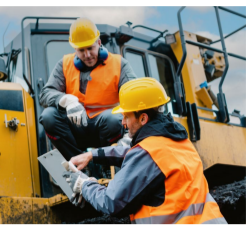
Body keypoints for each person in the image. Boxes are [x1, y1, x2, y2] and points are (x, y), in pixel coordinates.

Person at [63, 78, 227, 224]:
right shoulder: (178, 141)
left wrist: (84, 185)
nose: (123, 123)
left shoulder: (148, 152)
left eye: (126, 116)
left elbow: (111, 202)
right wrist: (92, 155)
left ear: (143, 118)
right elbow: (136, 154)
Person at [39, 17, 136, 161]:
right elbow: (45, 94)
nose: (87, 55)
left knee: (113, 118)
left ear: (98, 42)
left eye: (90, 48)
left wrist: (131, 135)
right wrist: (65, 100)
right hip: (75, 129)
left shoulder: (119, 64)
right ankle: (78, 165)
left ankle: (107, 164)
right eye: (81, 50)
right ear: (74, 49)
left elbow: (135, 97)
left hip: (108, 130)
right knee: (48, 116)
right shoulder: (64, 64)